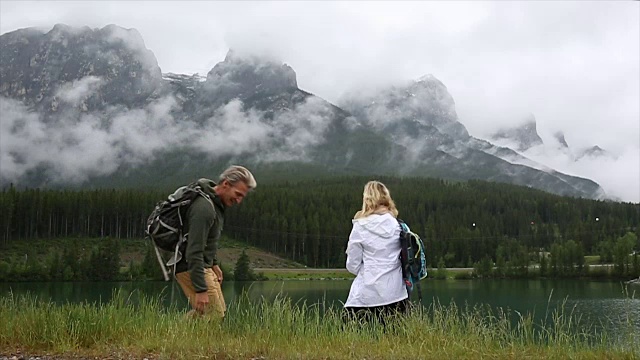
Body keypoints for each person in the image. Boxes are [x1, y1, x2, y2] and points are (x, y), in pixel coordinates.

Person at [174, 165, 257, 318]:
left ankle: (173, 335)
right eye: (237, 194)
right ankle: (175, 337)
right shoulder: (204, 208)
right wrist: (200, 290)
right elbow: (194, 250)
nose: (238, 201)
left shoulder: (216, 206)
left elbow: (207, 241)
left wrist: (213, 263)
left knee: (213, 313)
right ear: (225, 184)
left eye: (242, 197)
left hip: (202, 265)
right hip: (190, 266)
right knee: (214, 315)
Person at [343, 180, 408, 324]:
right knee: (397, 343)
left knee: (353, 342)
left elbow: (352, 265)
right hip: (396, 294)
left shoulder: (359, 226)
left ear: (366, 199)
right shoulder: (398, 226)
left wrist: (368, 270)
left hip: (365, 297)